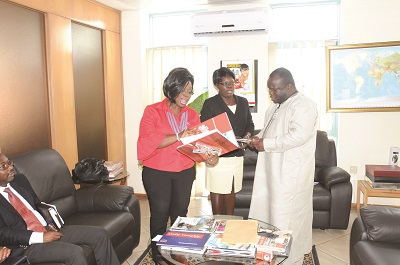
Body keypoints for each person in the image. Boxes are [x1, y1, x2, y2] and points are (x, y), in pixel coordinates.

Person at [137, 67, 217, 264]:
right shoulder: (152, 111)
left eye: (190, 91)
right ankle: (157, 253)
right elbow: (148, 141)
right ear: (172, 87)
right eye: (183, 89)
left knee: (181, 213)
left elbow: (198, 144)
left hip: (184, 171)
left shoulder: (191, 115)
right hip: (157, 172)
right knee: (159, 213)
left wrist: (209, 156)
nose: (187, 95)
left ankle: (175, 250)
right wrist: (179, 135)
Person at [248, 67, 318, 265]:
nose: (271, 94)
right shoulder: (274, 106)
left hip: (290, 175)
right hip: (271, 172)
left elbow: (299, 135)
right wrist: (257, 139)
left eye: (275, 89)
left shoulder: (304, 105)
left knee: (287, 220)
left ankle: (290, 260)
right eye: (269, 89)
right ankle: (271, 255)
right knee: (270, 218)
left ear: (288, 86)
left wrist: (266, 144)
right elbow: (269, 132)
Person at [0, 152, 120, 265]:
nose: (10, 167)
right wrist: (40, 237)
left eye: (9, 163)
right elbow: (4, 233)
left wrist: (49, 222)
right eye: (4, 166)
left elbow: (37, 205)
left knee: (100, 234)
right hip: (27, 244)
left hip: (47, 228)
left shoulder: (19, 180)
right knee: (75, 253)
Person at [200, 67, 254, 215]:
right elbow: (205, 131)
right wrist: (227, 139)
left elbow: (250, 123)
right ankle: (218, 223)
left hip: (236, 156)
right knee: (217, 190)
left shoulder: (243, 102)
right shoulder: (210, 104)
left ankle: (228, 222)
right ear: (217, 85)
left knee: (231, 190)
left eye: (232, 82)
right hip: (218, 157)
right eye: (225, 83)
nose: (230, 86)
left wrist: (247, 136)